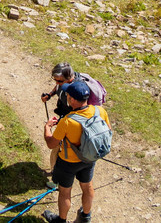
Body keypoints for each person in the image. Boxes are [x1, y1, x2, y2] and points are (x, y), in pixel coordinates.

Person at [42, 80, 108, 223]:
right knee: (87, 186)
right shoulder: (100, 111)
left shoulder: (67, 121)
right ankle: (85, 217)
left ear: (71, 99)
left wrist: (47, 127)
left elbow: (50, 143)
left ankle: (61, 220)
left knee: (65, 191)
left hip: (68, 162)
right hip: (89, 158)